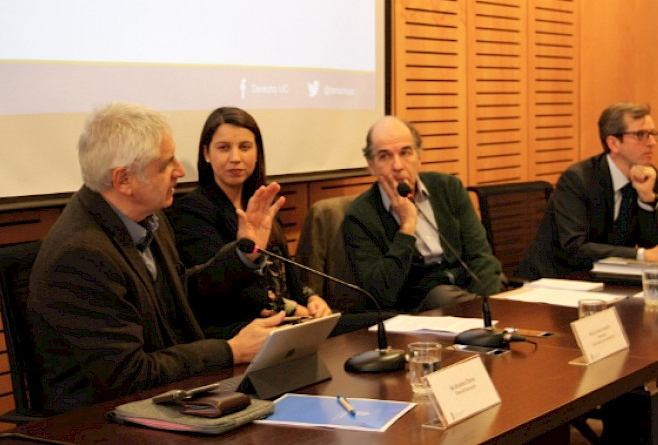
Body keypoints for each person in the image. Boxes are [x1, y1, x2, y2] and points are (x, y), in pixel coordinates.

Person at [27, 103, 285, 414]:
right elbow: (129, 374)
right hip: (98, 421)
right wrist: (230, 351)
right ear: (124, 180)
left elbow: (180, 294)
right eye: (165, 164)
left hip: (162, 399)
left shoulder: (150, 220)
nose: (180, 170)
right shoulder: (81, 255)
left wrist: (244, 251)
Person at [169, 107, 332, 337]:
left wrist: (311, 298)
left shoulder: (261, 200)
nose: (235, 158)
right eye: (224, 148)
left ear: (257, 152)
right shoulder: (192, 210)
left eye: (245, 147)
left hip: (289, 322)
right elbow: (211, 290)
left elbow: (287, 271)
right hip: (241, 331)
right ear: (206, 153)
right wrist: (294, 308)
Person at [342, 116, 503, 313]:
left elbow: (481, 256)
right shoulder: (360, 216)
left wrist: (488, 305)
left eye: (405, 153)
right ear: (371, 165)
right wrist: (407, 227)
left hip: (467, 291)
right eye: (385, 156)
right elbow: (380, 292)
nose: (398, 166)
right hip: (418, 308)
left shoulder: (448, 188)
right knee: (442, 295)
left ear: (419, 156)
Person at [518, 102, 658, 280]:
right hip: (556, 280)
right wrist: (644, 256)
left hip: (607, 279)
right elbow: (575, 247)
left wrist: (647, 198)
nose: (652, 143)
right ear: (613, 143)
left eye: (653, 134)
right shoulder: (578, 179)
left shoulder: (647, 175)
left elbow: (655, 247)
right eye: (641, 135)